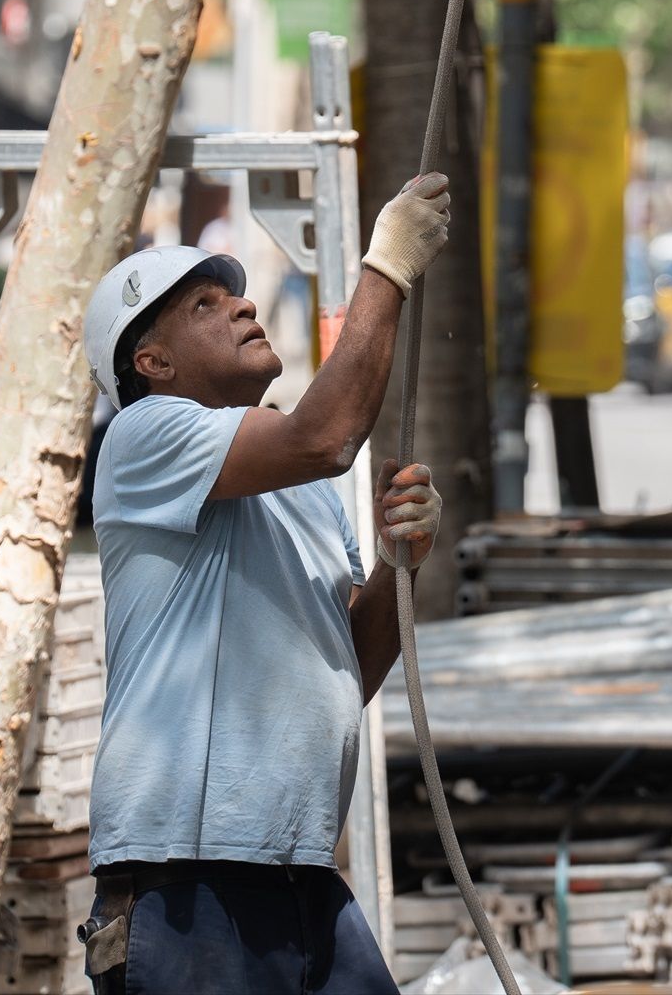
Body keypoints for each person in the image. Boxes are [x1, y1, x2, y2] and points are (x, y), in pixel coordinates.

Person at [77, 172, 453, 995]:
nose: (242, 306)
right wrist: (386, 266)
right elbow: (328, 434)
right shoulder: (144, 434)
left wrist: (398, 564)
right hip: (186, 873)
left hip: (295, 866)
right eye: (204, 306)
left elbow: (345, 667)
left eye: (234, 296)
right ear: (153, 361)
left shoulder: (305, 485)